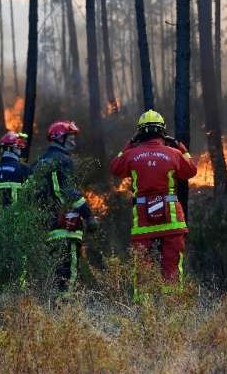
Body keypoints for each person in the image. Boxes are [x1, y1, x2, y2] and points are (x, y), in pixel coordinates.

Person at [109, 110, 197, 292]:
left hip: (143, 222)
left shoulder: (131, 155)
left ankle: (143, 307)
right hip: (172, 221)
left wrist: (128, 145)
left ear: (140, 133)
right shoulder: (174, 153)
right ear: (163, 131)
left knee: (142, 270)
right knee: (172, 269)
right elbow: (191, 171)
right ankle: (172, 305)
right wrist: (181, 147)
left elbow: (115, 168)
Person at [30, 120, 98, 291]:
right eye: (70, 136)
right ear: (59, 138)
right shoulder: (63, 160)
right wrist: (88, 215)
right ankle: (66, 306)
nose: (73, 140)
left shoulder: (38, 163)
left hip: (46, 228)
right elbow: (69, 191)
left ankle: (53, 305)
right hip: (66, 227)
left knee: (53, 275)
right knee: (69, 275)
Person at [0, 131, 31, 205]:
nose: (20, 149)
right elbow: (32, 193)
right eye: (18, 146)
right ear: (9, 148)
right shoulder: (23, 169)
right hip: (17, 212)